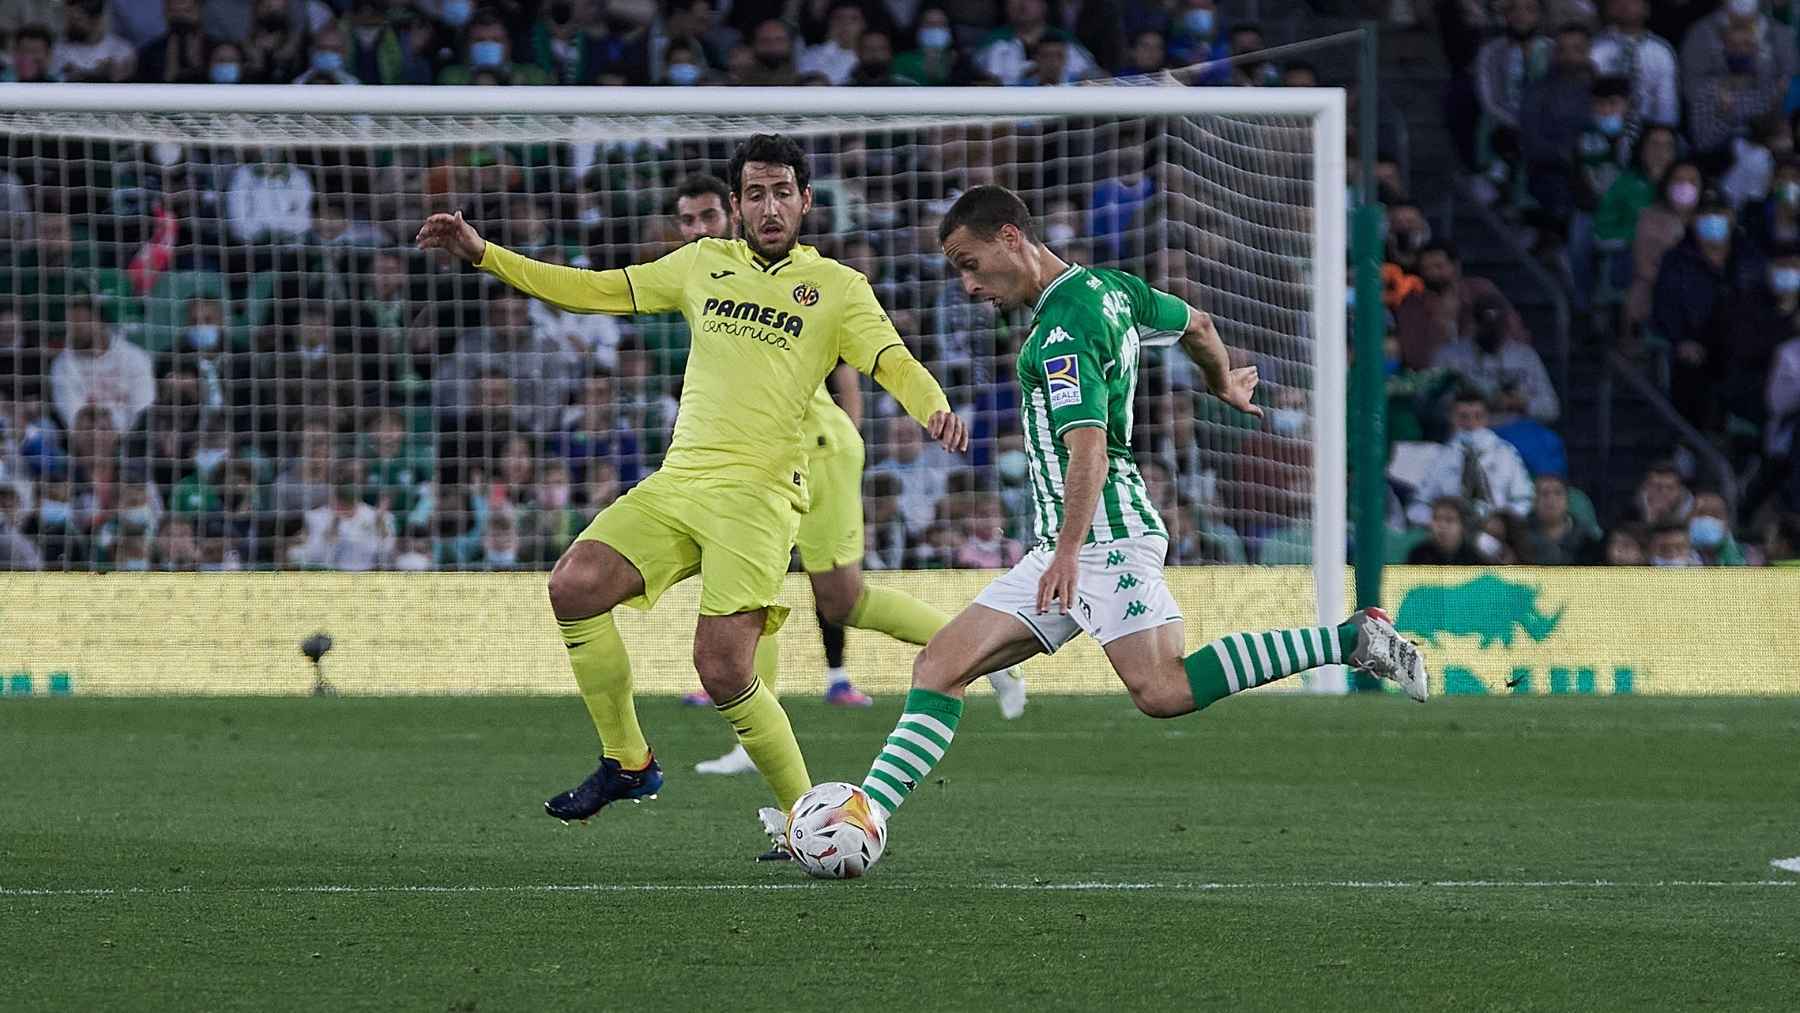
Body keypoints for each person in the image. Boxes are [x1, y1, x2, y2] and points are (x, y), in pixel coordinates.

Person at [416, 135, 970, 836]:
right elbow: (596, 289)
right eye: (756, 195)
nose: (770, 208)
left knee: (722, 666)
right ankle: (627, 761)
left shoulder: (837, 287)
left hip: (761, 496)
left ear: (806, 200)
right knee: (574, 585)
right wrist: (486, 254)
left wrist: (933, 406)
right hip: (682, 481)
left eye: (783, 193)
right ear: (736, 207)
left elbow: (889, 358)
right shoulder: (701, 265)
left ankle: (807, 819)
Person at [837, 185, 1428, 838]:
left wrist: (1066, 553)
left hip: (1100, 537)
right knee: (939, 665)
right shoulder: (1111, 290)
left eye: (969, 263)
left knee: (1163, 688)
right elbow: (1198, 325)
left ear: (1010, 236)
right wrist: (1221, 380)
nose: (968, 286)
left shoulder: (1060, 333)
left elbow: (1086, 448)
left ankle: (1352, 639)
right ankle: (865, 816)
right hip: (1069, 539)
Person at [656, 174, 1025, 776]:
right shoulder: (708, 274)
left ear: (735, 214)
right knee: (839, 599)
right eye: (687, 222)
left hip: (811, 455)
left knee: (768, 589)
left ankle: (757, 744)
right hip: (770, 460)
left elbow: (851, 364)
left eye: (707, 218)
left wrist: (843, 434)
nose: (698, 231)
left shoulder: (797, 278)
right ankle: (989, 656)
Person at [1405, 389, 1536, 526]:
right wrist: (1442, 522)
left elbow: (1524, 500)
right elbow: (1417, 506)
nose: (1471, 423)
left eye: (1478, 416)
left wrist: (1503, 522)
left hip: (1497, 531)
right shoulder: (1438, 457)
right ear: (1452, 417)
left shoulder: (1506, 453)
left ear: (1487, 418)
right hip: (1451, 534)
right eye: (1463, 416)